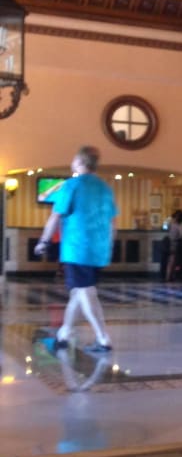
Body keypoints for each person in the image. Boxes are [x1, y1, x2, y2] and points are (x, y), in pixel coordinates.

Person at [34, 145, 117, 352]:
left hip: (77, 249)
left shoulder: (71, 185)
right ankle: (63, 335)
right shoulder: (105, 188)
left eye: (74, 159)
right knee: (79, 293)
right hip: (99, 251)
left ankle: (103, 338)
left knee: (85, 292)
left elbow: (56, 215)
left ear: (80, 162)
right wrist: (109, 245)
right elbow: (112, 222)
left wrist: (43, 241)